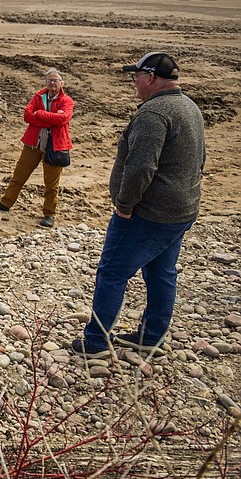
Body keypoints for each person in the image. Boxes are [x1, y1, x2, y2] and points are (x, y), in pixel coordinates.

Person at [72, 53, 205, 358]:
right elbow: (200, 160)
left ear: (151, 78)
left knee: (112, 272)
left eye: (136, 76)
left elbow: (140, 167)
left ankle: (96, 342)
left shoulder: (153, 113)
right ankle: (151, 336)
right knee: (162, 273)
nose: (134, 82)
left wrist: (124, 206)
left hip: (147, 213)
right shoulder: (190, 107)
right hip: (181, 210)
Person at [0, 69, 74, 228]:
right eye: (50, 80)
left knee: (51, 184)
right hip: (32, 145)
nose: (52, 83)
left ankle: (49, 214)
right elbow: (27, 116)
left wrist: (40, 114)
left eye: (55, 80)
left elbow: (63, 119)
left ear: (61, 83)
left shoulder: (67, 100)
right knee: (18, 176)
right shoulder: (38, 96)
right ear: (45, 82)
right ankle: (6, 203)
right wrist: (50, 118)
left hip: (54, 147)